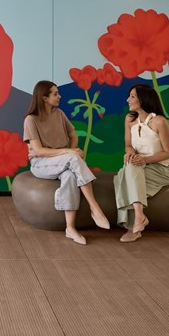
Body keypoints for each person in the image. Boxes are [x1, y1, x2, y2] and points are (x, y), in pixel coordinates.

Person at [23, 80, 110, 245]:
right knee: (72, 158)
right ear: (44, 98)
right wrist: (69, 152)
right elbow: (39, 150)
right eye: (55, 94)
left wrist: (73, 149)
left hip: (61, 160)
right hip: (41, 163)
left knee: (70, 175)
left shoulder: (59, 114)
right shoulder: (31, 120)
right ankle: (95, 208)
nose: (59, 96)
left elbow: (73, 135)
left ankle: (70, 228)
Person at [115, 84, 169, 243]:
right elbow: (128, 145)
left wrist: (145, 159)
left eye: (132, 96)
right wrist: (130, 153)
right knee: (128, 167)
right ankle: (139, 216)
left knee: (123, 179)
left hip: (163, 168)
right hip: (141, 166)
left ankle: (133, 227)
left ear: (144, 99)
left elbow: (168, 152)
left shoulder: (159, 121)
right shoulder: (129, 120)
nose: (128, 99)